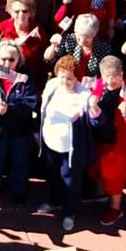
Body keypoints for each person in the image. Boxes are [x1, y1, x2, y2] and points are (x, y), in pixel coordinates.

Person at [36, 55, 101, 233]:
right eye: (62, 76)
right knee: (52, 176)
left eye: (70, 78)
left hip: (71, 148)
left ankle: (69, 213)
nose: (65, 81)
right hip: (50, 142)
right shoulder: (52, 85)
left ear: (77, 78)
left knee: (70, 181)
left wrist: (94, 108)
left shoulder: (84, 94)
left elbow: (95, 118)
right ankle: (53, 202)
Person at [0, 40, 38, 205]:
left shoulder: (25, 76)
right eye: (3, 59)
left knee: (20, 161)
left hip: (19, 129)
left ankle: (19, 190)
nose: (7, 63)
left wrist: (10, 108)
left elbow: (31, 101)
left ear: (19, 60)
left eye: (12, 60)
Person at [87, 55, 126, 226]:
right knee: (95, 168)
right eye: (107, 76)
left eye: (115, 76)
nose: (110, 81)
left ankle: (115, 208)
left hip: (121, 145)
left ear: (122, 74)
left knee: (114, 178)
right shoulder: (97, 85)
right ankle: (100, 194)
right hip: (101, 138)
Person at [0, 0, 46, 90]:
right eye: (17, 11)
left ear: (30, 12)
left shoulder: (38, 30)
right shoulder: (3, 28)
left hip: (31, 82)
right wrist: (14, 44)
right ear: (10, 12)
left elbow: (42, 58)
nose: (21, 14)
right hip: (7, 79)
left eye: (24, 11)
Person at [45, 13, 112, 80]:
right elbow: (48, 59)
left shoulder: (104, 48)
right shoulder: (68, 40)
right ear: (75, 31)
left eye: (87, 37)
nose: (82, 40)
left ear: (95, 33)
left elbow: (105, 74)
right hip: (67, 82)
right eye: (79, 36)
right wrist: (53, 45)